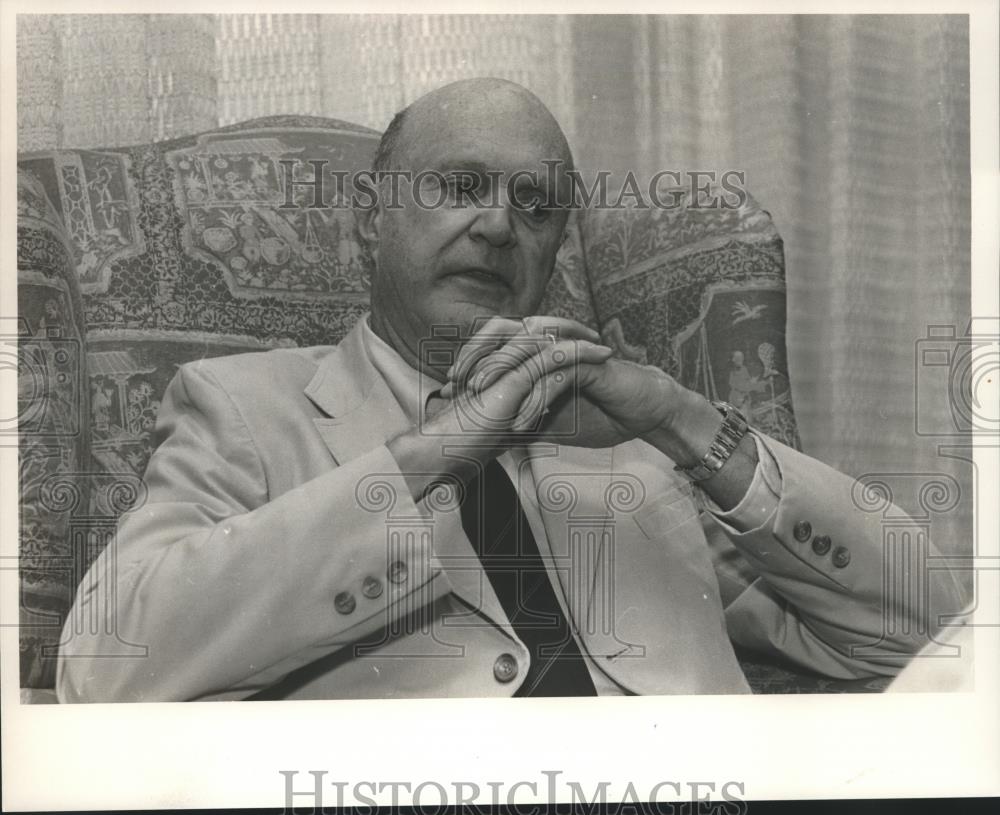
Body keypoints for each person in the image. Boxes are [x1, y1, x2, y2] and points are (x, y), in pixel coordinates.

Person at [56, 78, 963, 702]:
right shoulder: (242, 409)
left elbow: (921, 631)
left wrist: (684, 421)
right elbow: (102, 666)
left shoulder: (637, 452)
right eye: (460, 186)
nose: (498, 224)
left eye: (535, 205)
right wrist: (430, 457)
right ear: (373, 217)